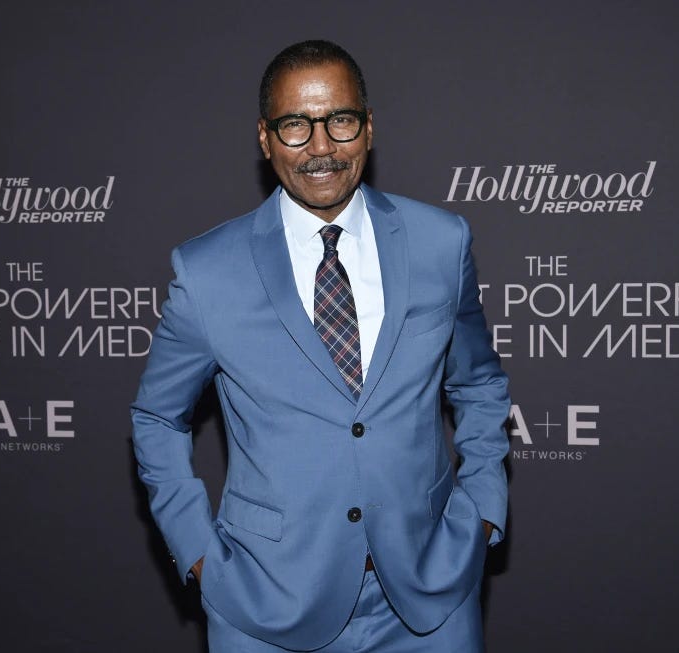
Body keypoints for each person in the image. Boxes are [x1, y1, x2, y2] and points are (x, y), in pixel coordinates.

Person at [132, 39, 510, 652]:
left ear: (368, 127)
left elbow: (480, 382)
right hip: (266, 604)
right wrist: (199, 553)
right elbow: (156, 417)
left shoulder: (440, 242)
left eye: (340, 120)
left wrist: (484, 508)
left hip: (430, 595)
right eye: (295, 125)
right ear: (265, 138)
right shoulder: (207, 271)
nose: (320, 147)